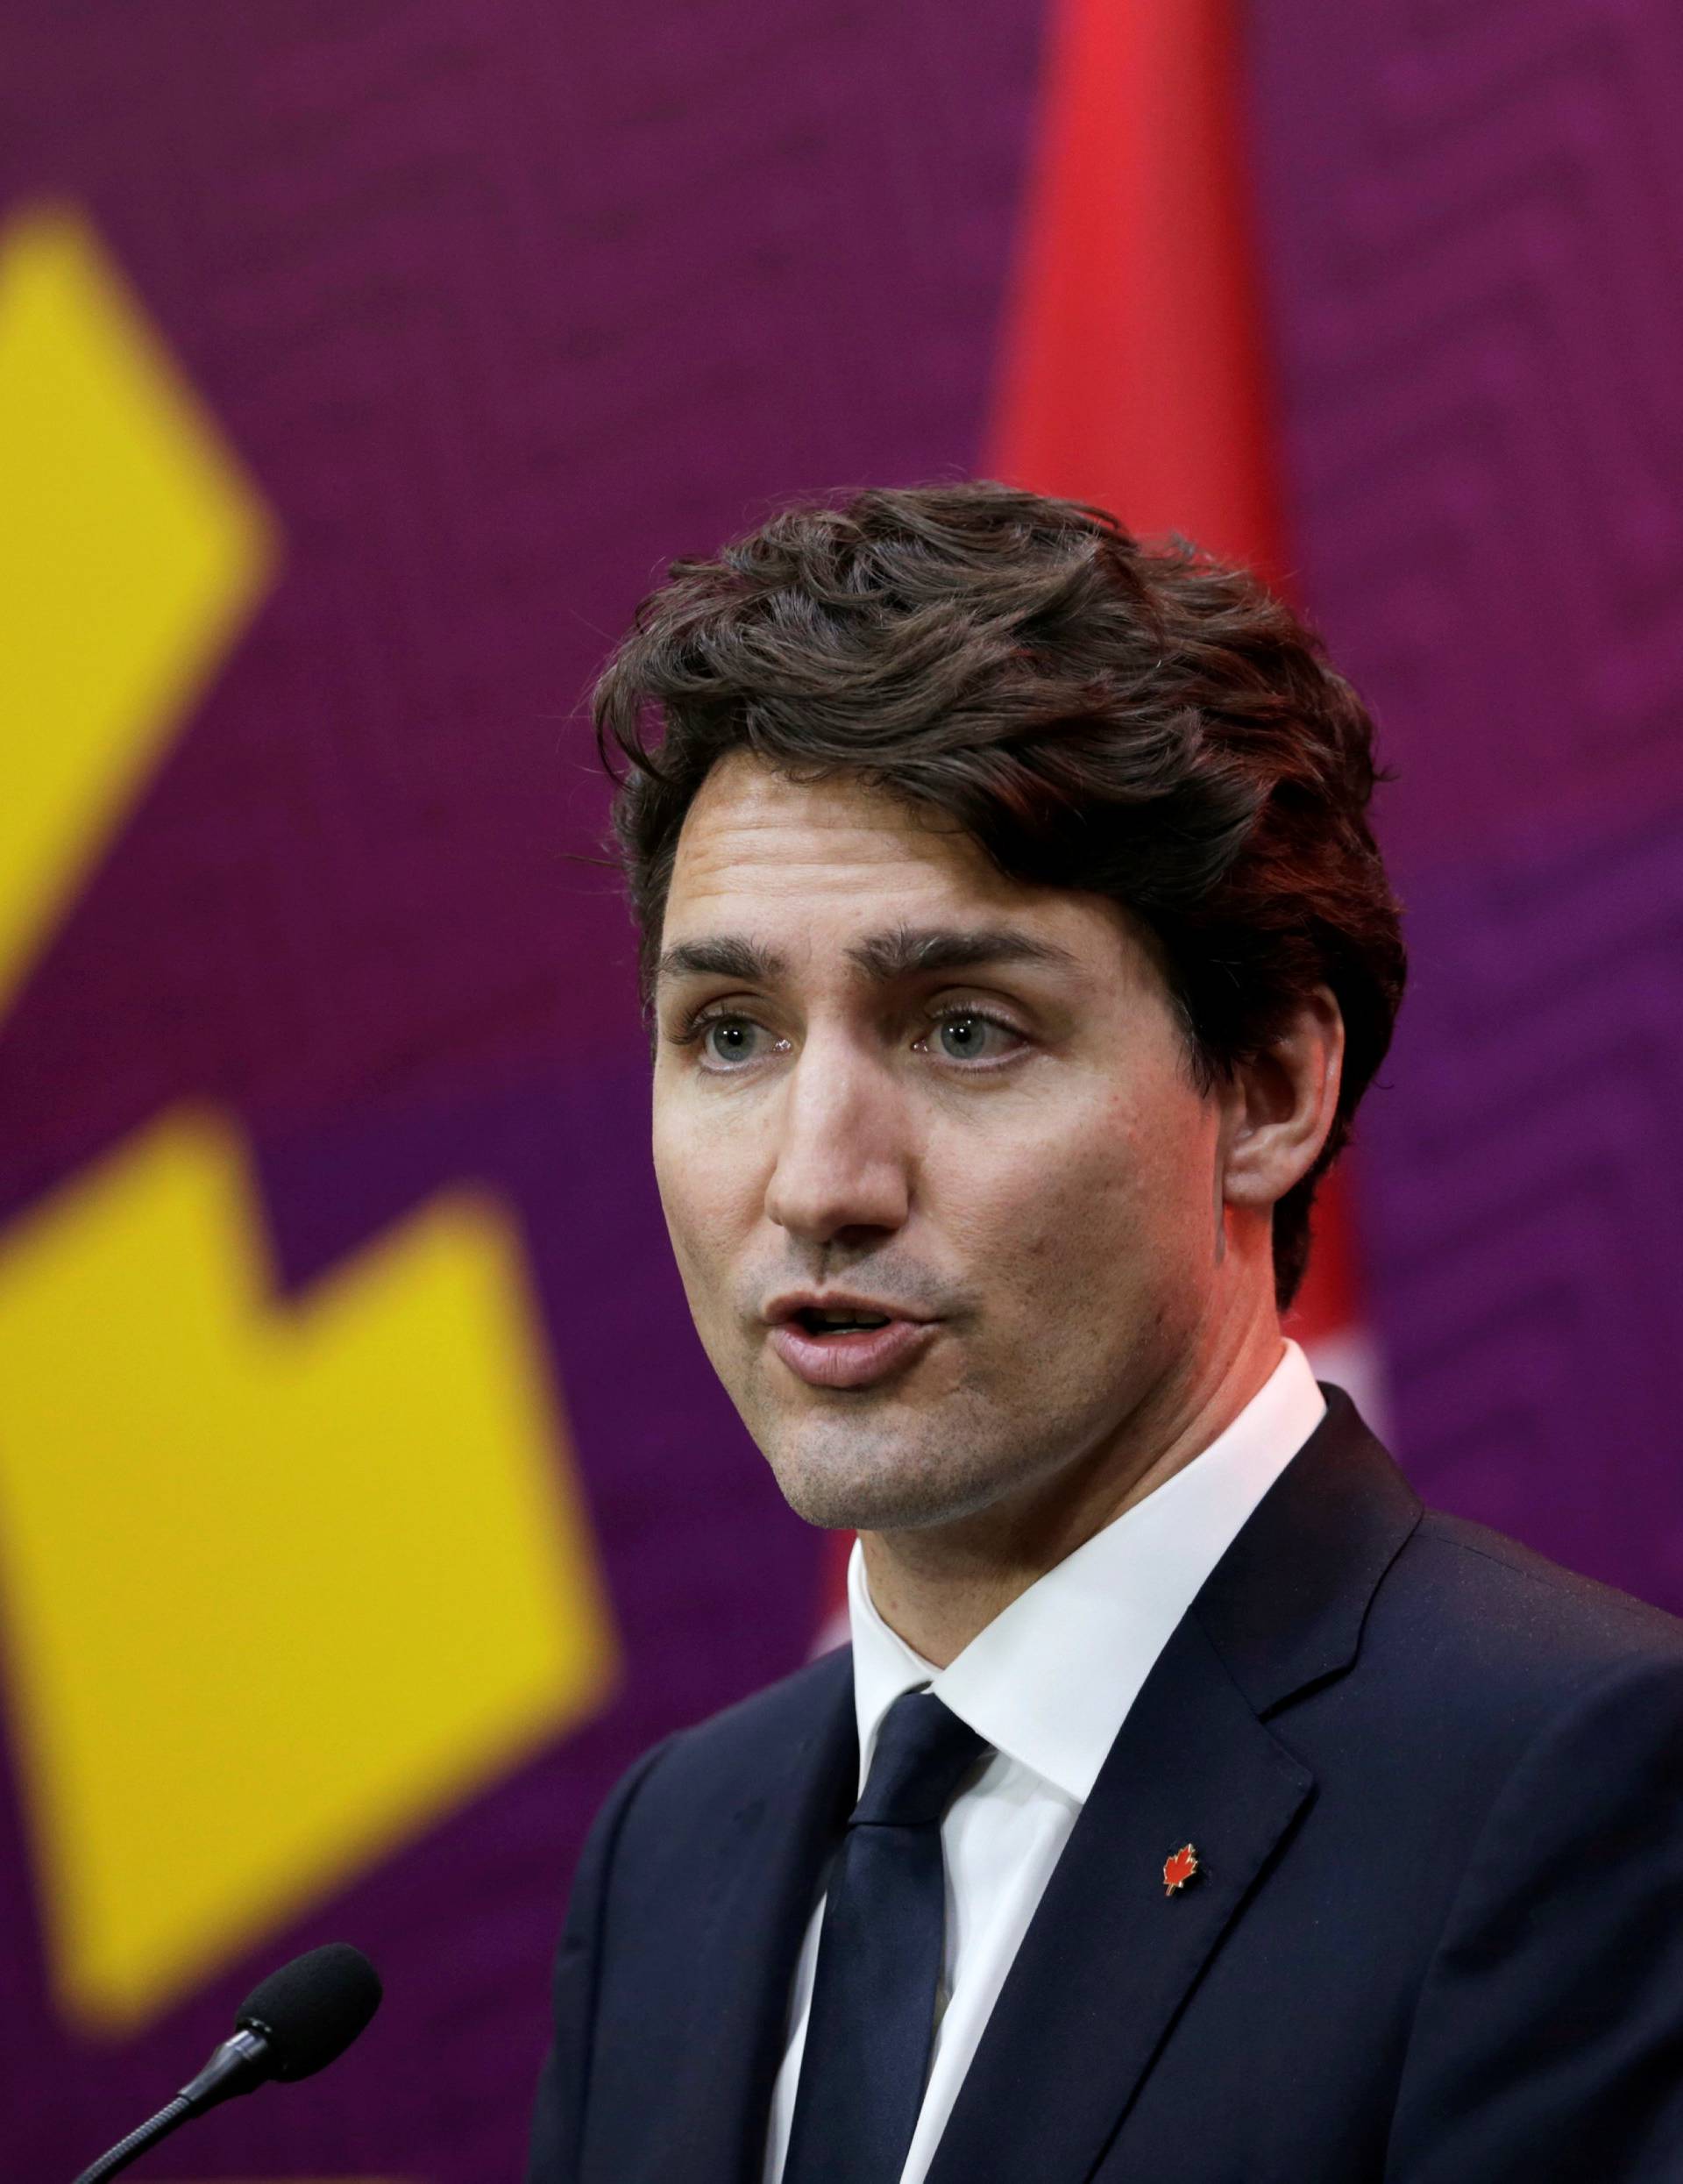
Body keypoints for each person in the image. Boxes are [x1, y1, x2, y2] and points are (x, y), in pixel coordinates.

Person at [524, 481, 1683, 2184]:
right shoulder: (673, 1850)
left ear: (1273, 1090)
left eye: (968, 1029)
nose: (817, 1181)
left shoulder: (1581, 1790)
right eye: (729, 1034)